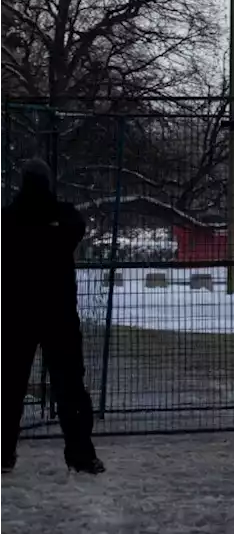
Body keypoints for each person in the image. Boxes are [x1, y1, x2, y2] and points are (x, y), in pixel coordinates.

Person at [0, 159, 103, 475]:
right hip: (58, 313)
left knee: (7, 386)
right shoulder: (65, 217)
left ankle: (3, 453)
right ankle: (81, 455)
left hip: (15, 313)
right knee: (70, 386)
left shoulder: (7, 219)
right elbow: (76, 228)